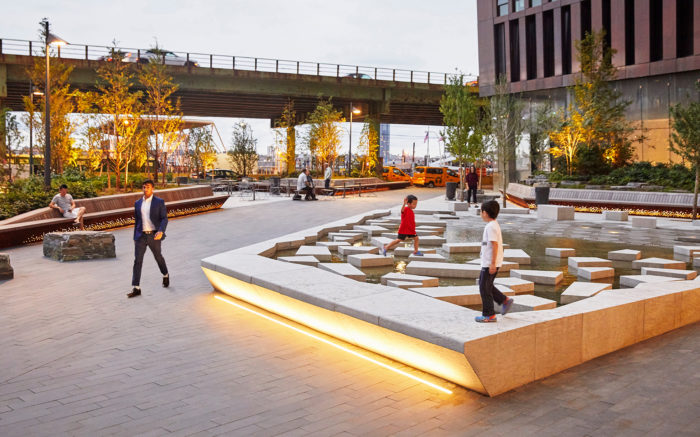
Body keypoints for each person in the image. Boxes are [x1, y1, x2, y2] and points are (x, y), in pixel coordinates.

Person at [128, 179, 169, 298]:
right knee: (137, 260)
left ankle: (165, 274)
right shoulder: (137, 203)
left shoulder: (159, 202)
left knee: (158, 257)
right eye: (144, 187)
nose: (145, 189)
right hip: (141, 236)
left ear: (153, 189)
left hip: (154, 235)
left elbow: (164, 218)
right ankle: (136, 287)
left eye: (148, 187)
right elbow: (137, 221)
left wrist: (161, 231)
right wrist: (135, 236)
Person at [475, 200, 513, 323]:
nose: (481, 214)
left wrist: (492, 264)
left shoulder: (491, 227)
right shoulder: (493, 224)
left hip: (490, 263)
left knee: (484, 288)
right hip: (490, 262)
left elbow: (494, 245)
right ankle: (504, 300)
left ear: (485, 213)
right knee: (486, 285)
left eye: (481, 211)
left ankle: (489, 315)